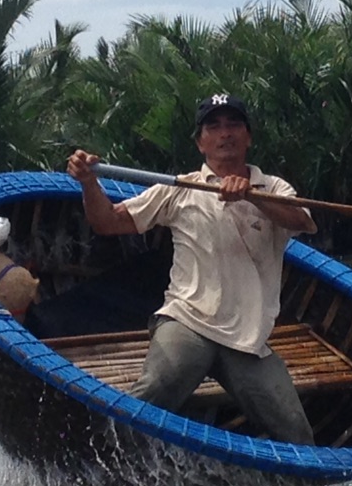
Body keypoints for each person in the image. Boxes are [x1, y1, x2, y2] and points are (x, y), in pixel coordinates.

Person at [67, 94, 318, 446]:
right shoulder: (179, 189)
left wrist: (251, 196)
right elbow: (108, 222)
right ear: (201, 143)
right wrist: (88, 183)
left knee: (298, 435)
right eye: (213, 127)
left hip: (247, 341)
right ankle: (100, 454)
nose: (224, 133)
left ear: (249, 136)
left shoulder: (274, 188)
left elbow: (301, 221)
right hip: (188, 322)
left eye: (233, 125)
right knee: (154, 393)